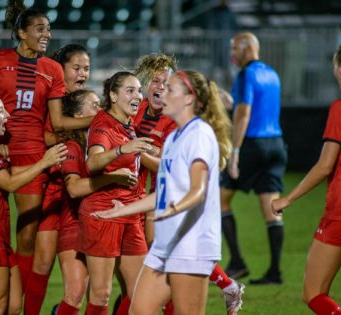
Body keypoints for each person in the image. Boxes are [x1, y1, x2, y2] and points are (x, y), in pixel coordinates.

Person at [0, 0, 94, 293]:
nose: (47, 35)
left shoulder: (51, 69)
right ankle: (0, 295)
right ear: (22, 32)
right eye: (40, 29)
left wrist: (104, 118)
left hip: (31, 153)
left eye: (49, 29)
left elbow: (59, 121)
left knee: (26, 235)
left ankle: (16, 300)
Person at [92, 70, 232, 315]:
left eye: (170, 89)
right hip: (166, 244)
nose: (161, 93)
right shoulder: (174, 138)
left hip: (190, 243)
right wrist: (121, 211)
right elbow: (163, 194)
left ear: (188, 99)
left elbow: (197, 189)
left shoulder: (199, 134)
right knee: (138, 310)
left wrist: (173, 209)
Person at [272, 41, 341, 315]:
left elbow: (324, 167)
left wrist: (287, 199)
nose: (335, 73)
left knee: (313, 293)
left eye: (335, 67)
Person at [133, 53, 244, 315]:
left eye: (167, 83)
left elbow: (171, 171)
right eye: (156, 81)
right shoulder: (138, 110)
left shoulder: (181, 125)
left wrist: (132, 151)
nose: (161, 87)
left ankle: (227, 285)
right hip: (145, 196)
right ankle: (227, 285)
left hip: (169, 206)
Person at [0, 93, 67, 315]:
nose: (7, 115)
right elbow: (10, 184)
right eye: (0, 110)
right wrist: (45, 162)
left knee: (12, 306)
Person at [55, 89, 138, 315]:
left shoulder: (106, 137)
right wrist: (112, 177)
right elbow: (73, 189)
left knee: (136, 290)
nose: (99, 110)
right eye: (93, 106)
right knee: (76, 294)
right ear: (77, 114)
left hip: (108, 218)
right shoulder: (72, 146)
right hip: (74, 224)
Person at [24, 44, 92, 315]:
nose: (82, 73)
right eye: (76, 68)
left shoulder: (84, 101)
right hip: (51, 189)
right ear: (59, 69)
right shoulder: (47, 100)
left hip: (78, 196)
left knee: (83, 277)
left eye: (86, 68)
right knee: (41, 263)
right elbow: (43, 137)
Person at [79, 71, 153, 314]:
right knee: (101, 294)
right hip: (104, 212)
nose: (137, 96)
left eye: (139, 91)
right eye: (130, 90)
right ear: (112, 95)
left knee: (140, 293)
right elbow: (93, 163)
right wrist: (121, 150)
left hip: (129, 212)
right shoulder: (103, 124)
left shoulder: (128, 125)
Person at [220, 32, 287, 284]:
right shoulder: (271, 73)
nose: (231, 53)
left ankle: (237, 261)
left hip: (252, 145)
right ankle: (275, 271)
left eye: (234, 48)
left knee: (220, 199)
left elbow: (244, 114)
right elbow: (256, 108)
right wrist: (233, 103)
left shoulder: (246, 74)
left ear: (248, 48)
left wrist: (235, 152)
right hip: (276, 144)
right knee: (272, 208)